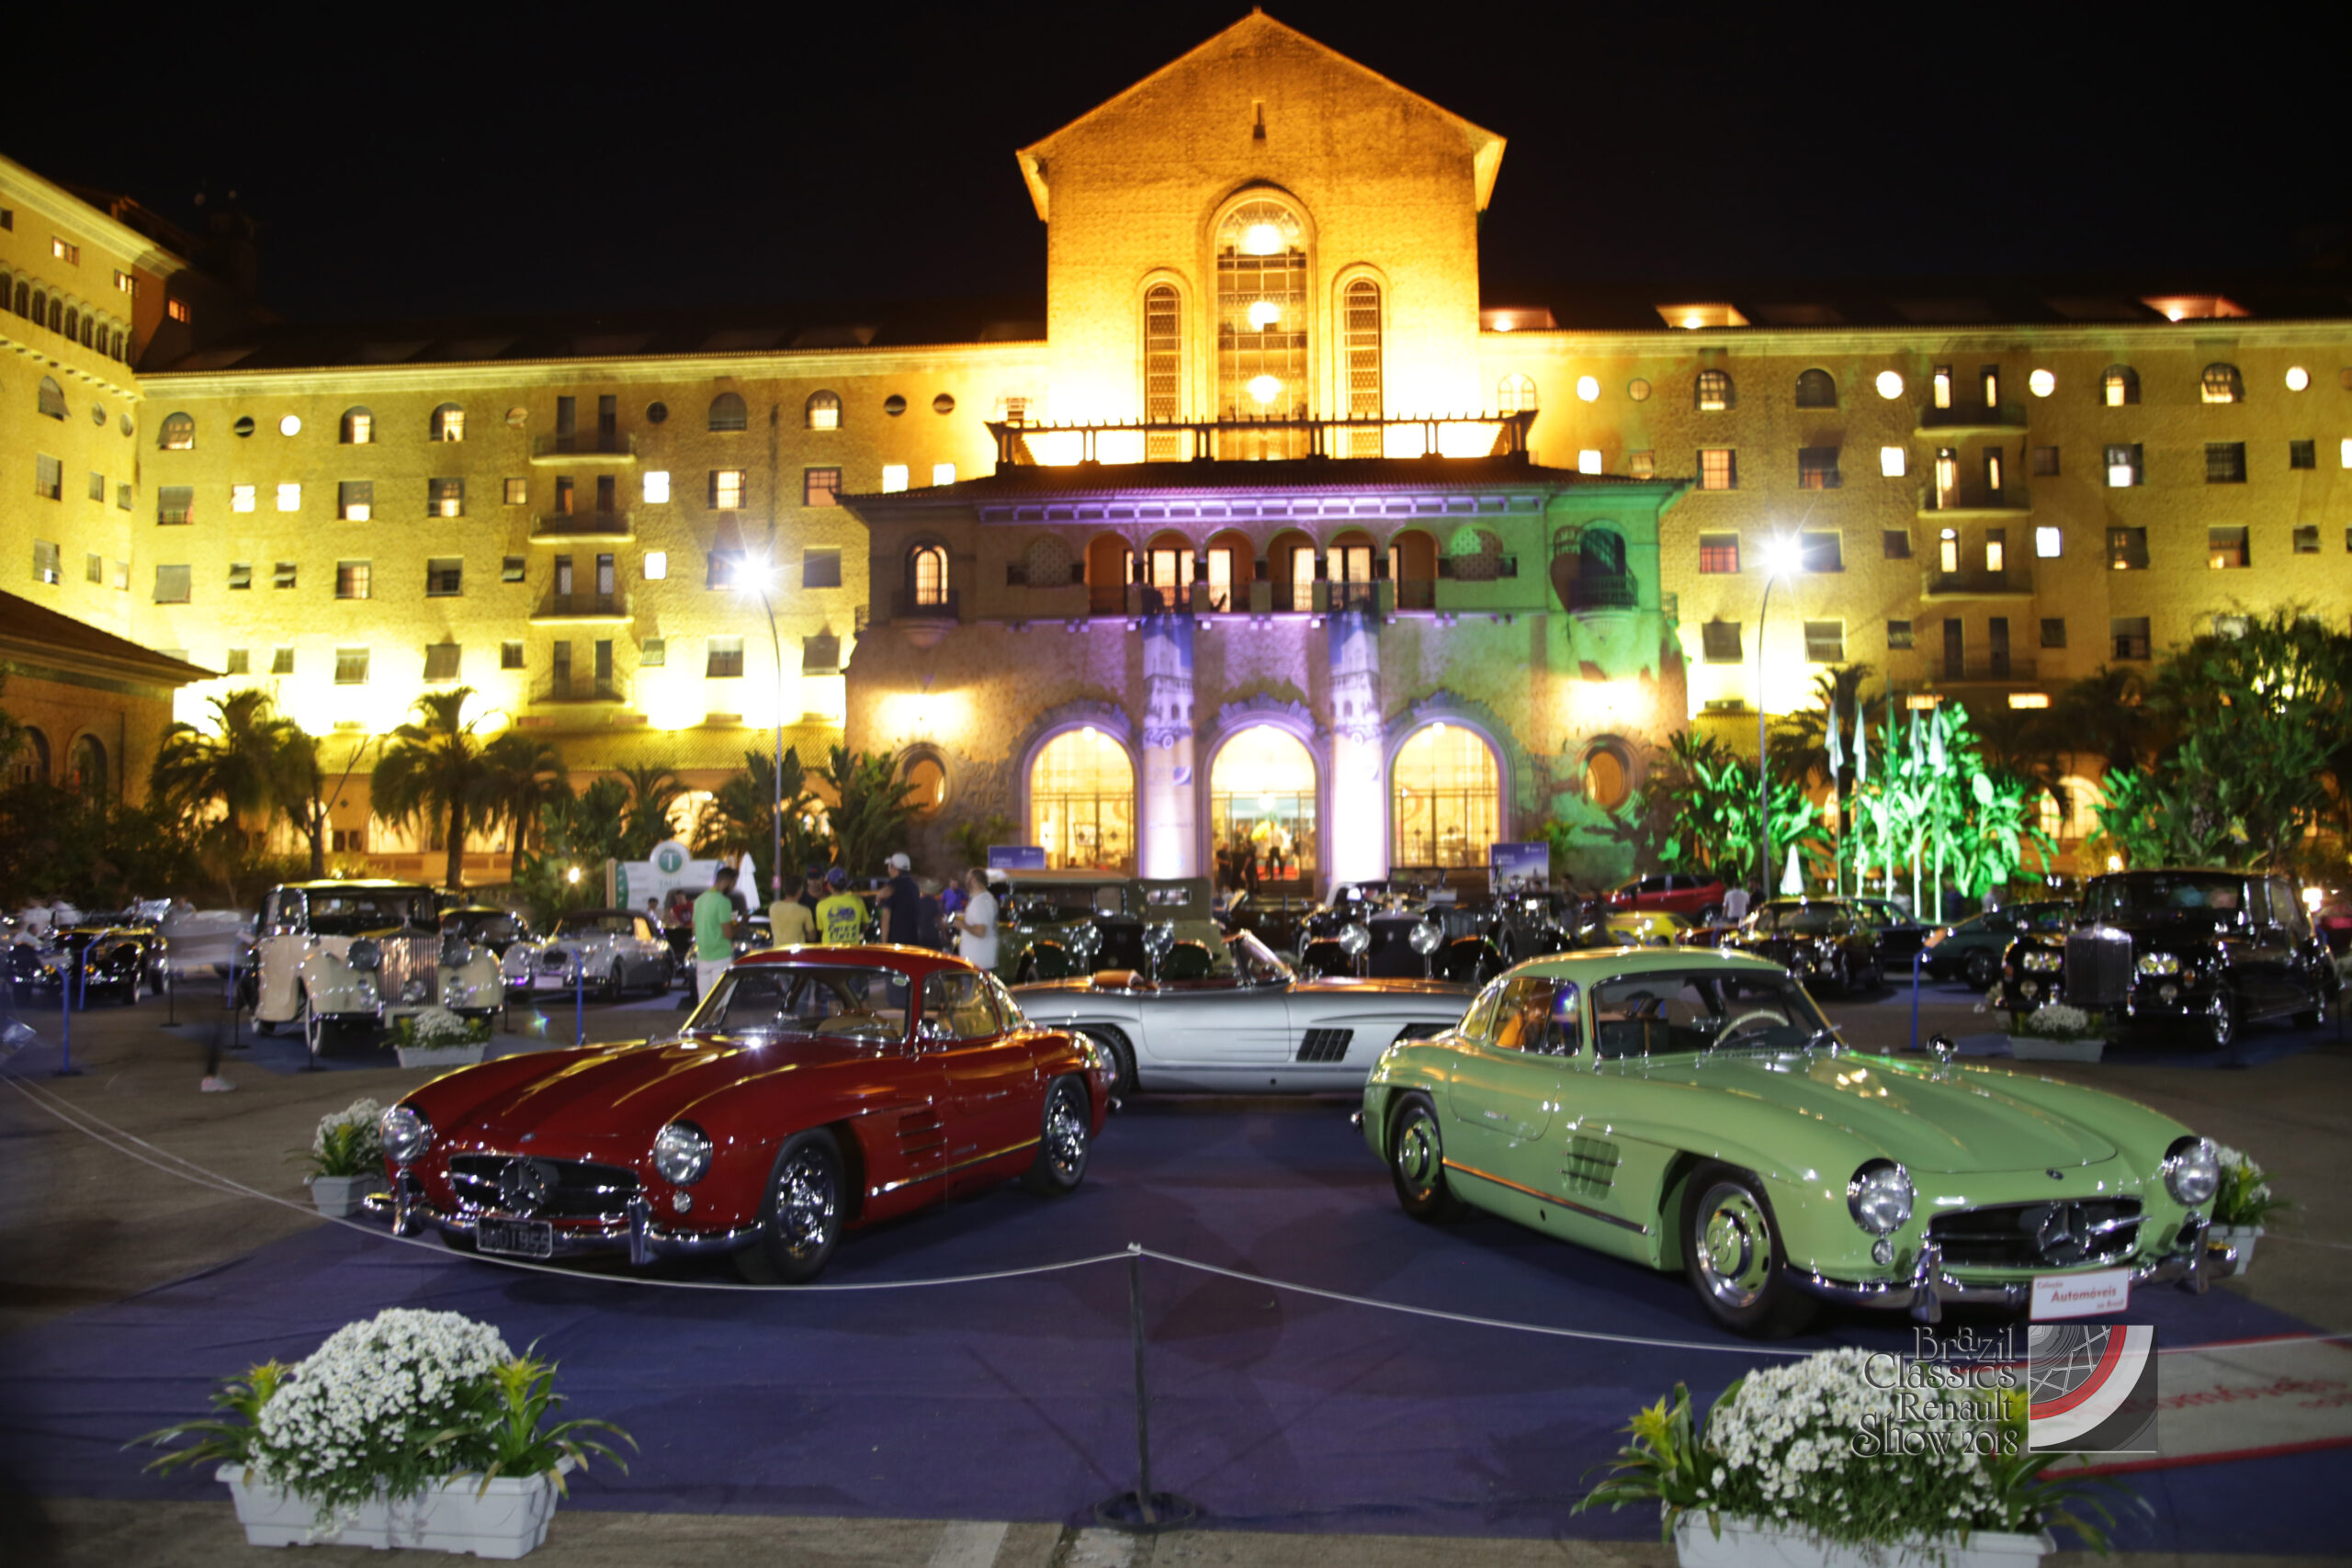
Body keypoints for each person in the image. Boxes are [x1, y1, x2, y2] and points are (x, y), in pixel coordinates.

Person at [691, 867, 740, 1003]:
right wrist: (740, 924)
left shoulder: (699, 900)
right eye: (733, 883)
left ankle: (705, 1026)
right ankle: (718, 1026)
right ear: (726, 882)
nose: (733, 887)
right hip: (721, 958)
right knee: (722, 1006)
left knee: (705, 1006)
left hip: (702, 958)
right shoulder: (723, 902)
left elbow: (694, 930)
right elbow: (728, 933)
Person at [956, 868, 1001, 973]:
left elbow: (981, 931)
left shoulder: (981, 902)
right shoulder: (983, 899)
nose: (966, 882)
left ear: (974, 881)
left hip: (978, 964)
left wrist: (962, 925)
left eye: (968, 879)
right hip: (978, 962)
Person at [817, 867, 867, 945]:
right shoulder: (858, 901)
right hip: (852, 950)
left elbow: (821, 930)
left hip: (829, 951)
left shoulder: (821, 905)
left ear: (829, 885)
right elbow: (865, 925)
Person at [882, 852, 921, 945]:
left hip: (895, 943)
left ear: (895, 868)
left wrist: (883, 944)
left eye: (890, 866)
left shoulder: (891, 887)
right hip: (913, 941)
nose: (889, 870)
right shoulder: (914, 887)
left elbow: (886, 917)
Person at [770, 881, 817, 948]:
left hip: (778, 952)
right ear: (800, 890)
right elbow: (812, 937)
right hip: (797, 954)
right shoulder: (804, 911)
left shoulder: (773, 907)